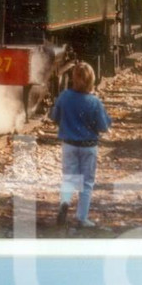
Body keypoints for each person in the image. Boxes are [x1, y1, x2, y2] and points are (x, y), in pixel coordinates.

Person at [49, 61, 112, 229]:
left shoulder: (64, 96)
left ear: (73, 78)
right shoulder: (94, 101)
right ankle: (81, 217)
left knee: (69, 178)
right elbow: (103, 126)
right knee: (87, 183)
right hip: (88, 146)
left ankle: (65, 202)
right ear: (92, 79)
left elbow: (54, 117)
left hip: (69, 144)